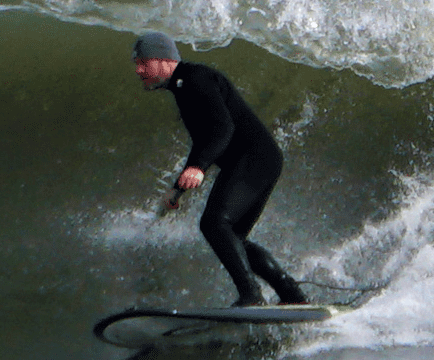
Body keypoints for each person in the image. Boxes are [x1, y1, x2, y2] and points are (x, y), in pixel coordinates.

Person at [132, 31, 308, 307]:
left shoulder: (196, 80)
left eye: (143, 62)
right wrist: (178, 189)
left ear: (163, 60)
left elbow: (223, 128)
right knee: (233, 238)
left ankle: (251, 296)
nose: (138, 69)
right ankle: (293, 295)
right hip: (260, 160)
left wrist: (199, 168)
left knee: (214, 224)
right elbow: (204, 141)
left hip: (254, 159)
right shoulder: (183, 85)